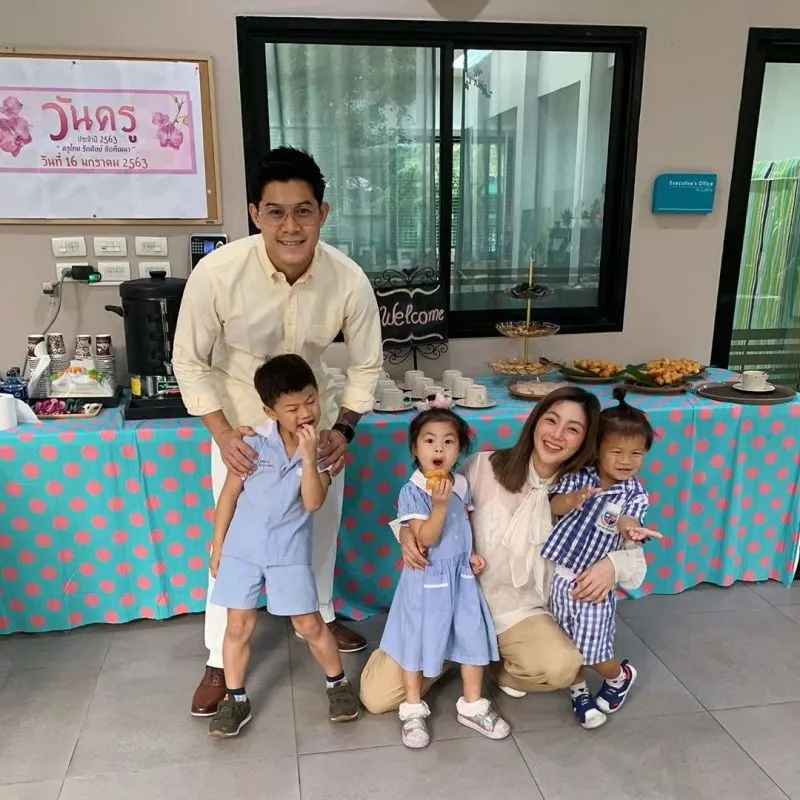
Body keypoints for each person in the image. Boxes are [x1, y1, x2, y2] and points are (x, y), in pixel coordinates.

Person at [173, 146, 383, 717]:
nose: (291, 226)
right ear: (255, 214)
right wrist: (223, 435)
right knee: (235, 540)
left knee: (319, 527)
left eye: (303, 210)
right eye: (275, 212)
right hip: (242, 431)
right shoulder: (218, 274)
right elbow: (188, 360)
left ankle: (318, 617)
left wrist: (344, 429)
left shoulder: (348, 279)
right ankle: (218, 659)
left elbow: (367, 364)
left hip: (315, 423)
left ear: (323, 212)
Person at [359, 386, 647, 714]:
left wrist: (612, 565)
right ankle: (450, 653)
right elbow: (434, 503)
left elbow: (634, 548)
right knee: (378, 698)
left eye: (573, 429)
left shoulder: (585, 491)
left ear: (586, 440)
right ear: (535, 422)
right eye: (551, 420)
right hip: (451, 600)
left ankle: (496, 666)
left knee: (561, 666)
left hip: (516, 612)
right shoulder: (483, 466)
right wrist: (405, 533)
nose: (557, 435)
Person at [207, 355, 359, 737]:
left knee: (308, 623)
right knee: (238, 624)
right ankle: (235, 698)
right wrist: (218, 545)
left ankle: (337, 683)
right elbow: (228, 496)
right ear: (270, 411)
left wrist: (308, 458)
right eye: (292, 408)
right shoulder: (252, 443)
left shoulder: (322, 451)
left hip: (288, 553)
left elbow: (313, 502)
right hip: (242, 549)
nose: (305, 413)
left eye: (311, 401)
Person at [380, 402, 510, 748]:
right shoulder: (413, 490)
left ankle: (472, 705)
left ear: (459, 449)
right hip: (426, 581)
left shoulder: (462, 484)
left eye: (449, 441)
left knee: (471, 634)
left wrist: (472, 554)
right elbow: (425, 538)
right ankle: (412, 708)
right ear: (414, 448)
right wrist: (438, 506)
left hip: (461, 577)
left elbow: (463, 524)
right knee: (417, 638)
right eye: (429, 440)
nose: (439, 448)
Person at [545, 387, 656, 729]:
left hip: (594, 586)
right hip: (558, 578)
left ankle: (619, 676)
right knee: (565, 646)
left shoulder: (634, 494)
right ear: (597, 449)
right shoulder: (578, 476)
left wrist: (631, 529)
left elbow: (627, 520)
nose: (626, 460)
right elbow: (554, 505)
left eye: (636, 453)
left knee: (594, 652)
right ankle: (578, 691)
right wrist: (574, 499)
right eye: (616, 451)